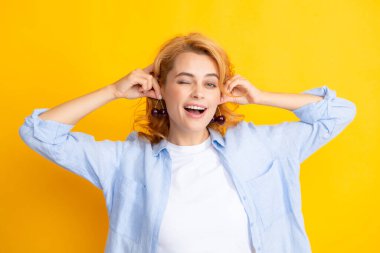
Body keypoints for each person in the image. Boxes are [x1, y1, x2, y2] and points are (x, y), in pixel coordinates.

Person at [19, 32, 357, 253]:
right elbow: (38, 131)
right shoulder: (126, 161)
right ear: (160, 90)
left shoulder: (262, 146)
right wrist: (113, 91)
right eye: (184, 81)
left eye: (210, 84)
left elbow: (339, 113)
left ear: (220, 93)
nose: (198, 93)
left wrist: (262, 96)